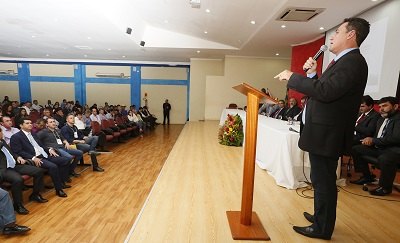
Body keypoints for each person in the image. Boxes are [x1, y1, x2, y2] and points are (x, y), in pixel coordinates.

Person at [275, 17, 370, 240]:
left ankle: (322, 227)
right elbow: (324, 91)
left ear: (351, 34)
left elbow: (326, 92)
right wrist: (311, 75)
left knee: (324, 180)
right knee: (319, 179)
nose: (332, 36)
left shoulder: (353, 62)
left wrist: (293, 77)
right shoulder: (341, 61)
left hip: (329, 133)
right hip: (323, 131)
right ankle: (321, 217)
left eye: (337, 31)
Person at [350, 97, 400, 196]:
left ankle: (385, 188)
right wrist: (369, 139)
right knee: (356, 149)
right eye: (380, 106)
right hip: (380, 148)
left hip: (394, 150)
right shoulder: (381, 119)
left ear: (395, 106)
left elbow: (396, 138)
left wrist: (374, 140)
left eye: (385, 106)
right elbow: (377, 135)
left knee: (385, 158)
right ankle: (366, 176)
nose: (381, 109)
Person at [10, 118, 70, 198]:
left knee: (65, 160)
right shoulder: (16, 137)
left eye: (31, 122)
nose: (30, 124)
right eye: (27, 123)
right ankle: (58, 189)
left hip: (44, 154)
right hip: (34, 158)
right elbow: (18, 152)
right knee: (53, 166)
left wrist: (49, 149)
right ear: (21, 125)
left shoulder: (33, 133)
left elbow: (41, 145)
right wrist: (33, 158)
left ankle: (61, 182)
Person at [1, 128, 47, 215]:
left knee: (38, 171)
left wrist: (18, 157)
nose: (2, 133)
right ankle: (18, 205)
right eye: (1, 132)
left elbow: (11, 152)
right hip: (4, 169)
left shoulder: (2, 141)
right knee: (18, 180)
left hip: (15, 164)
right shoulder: (1, 142)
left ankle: (35, 195)